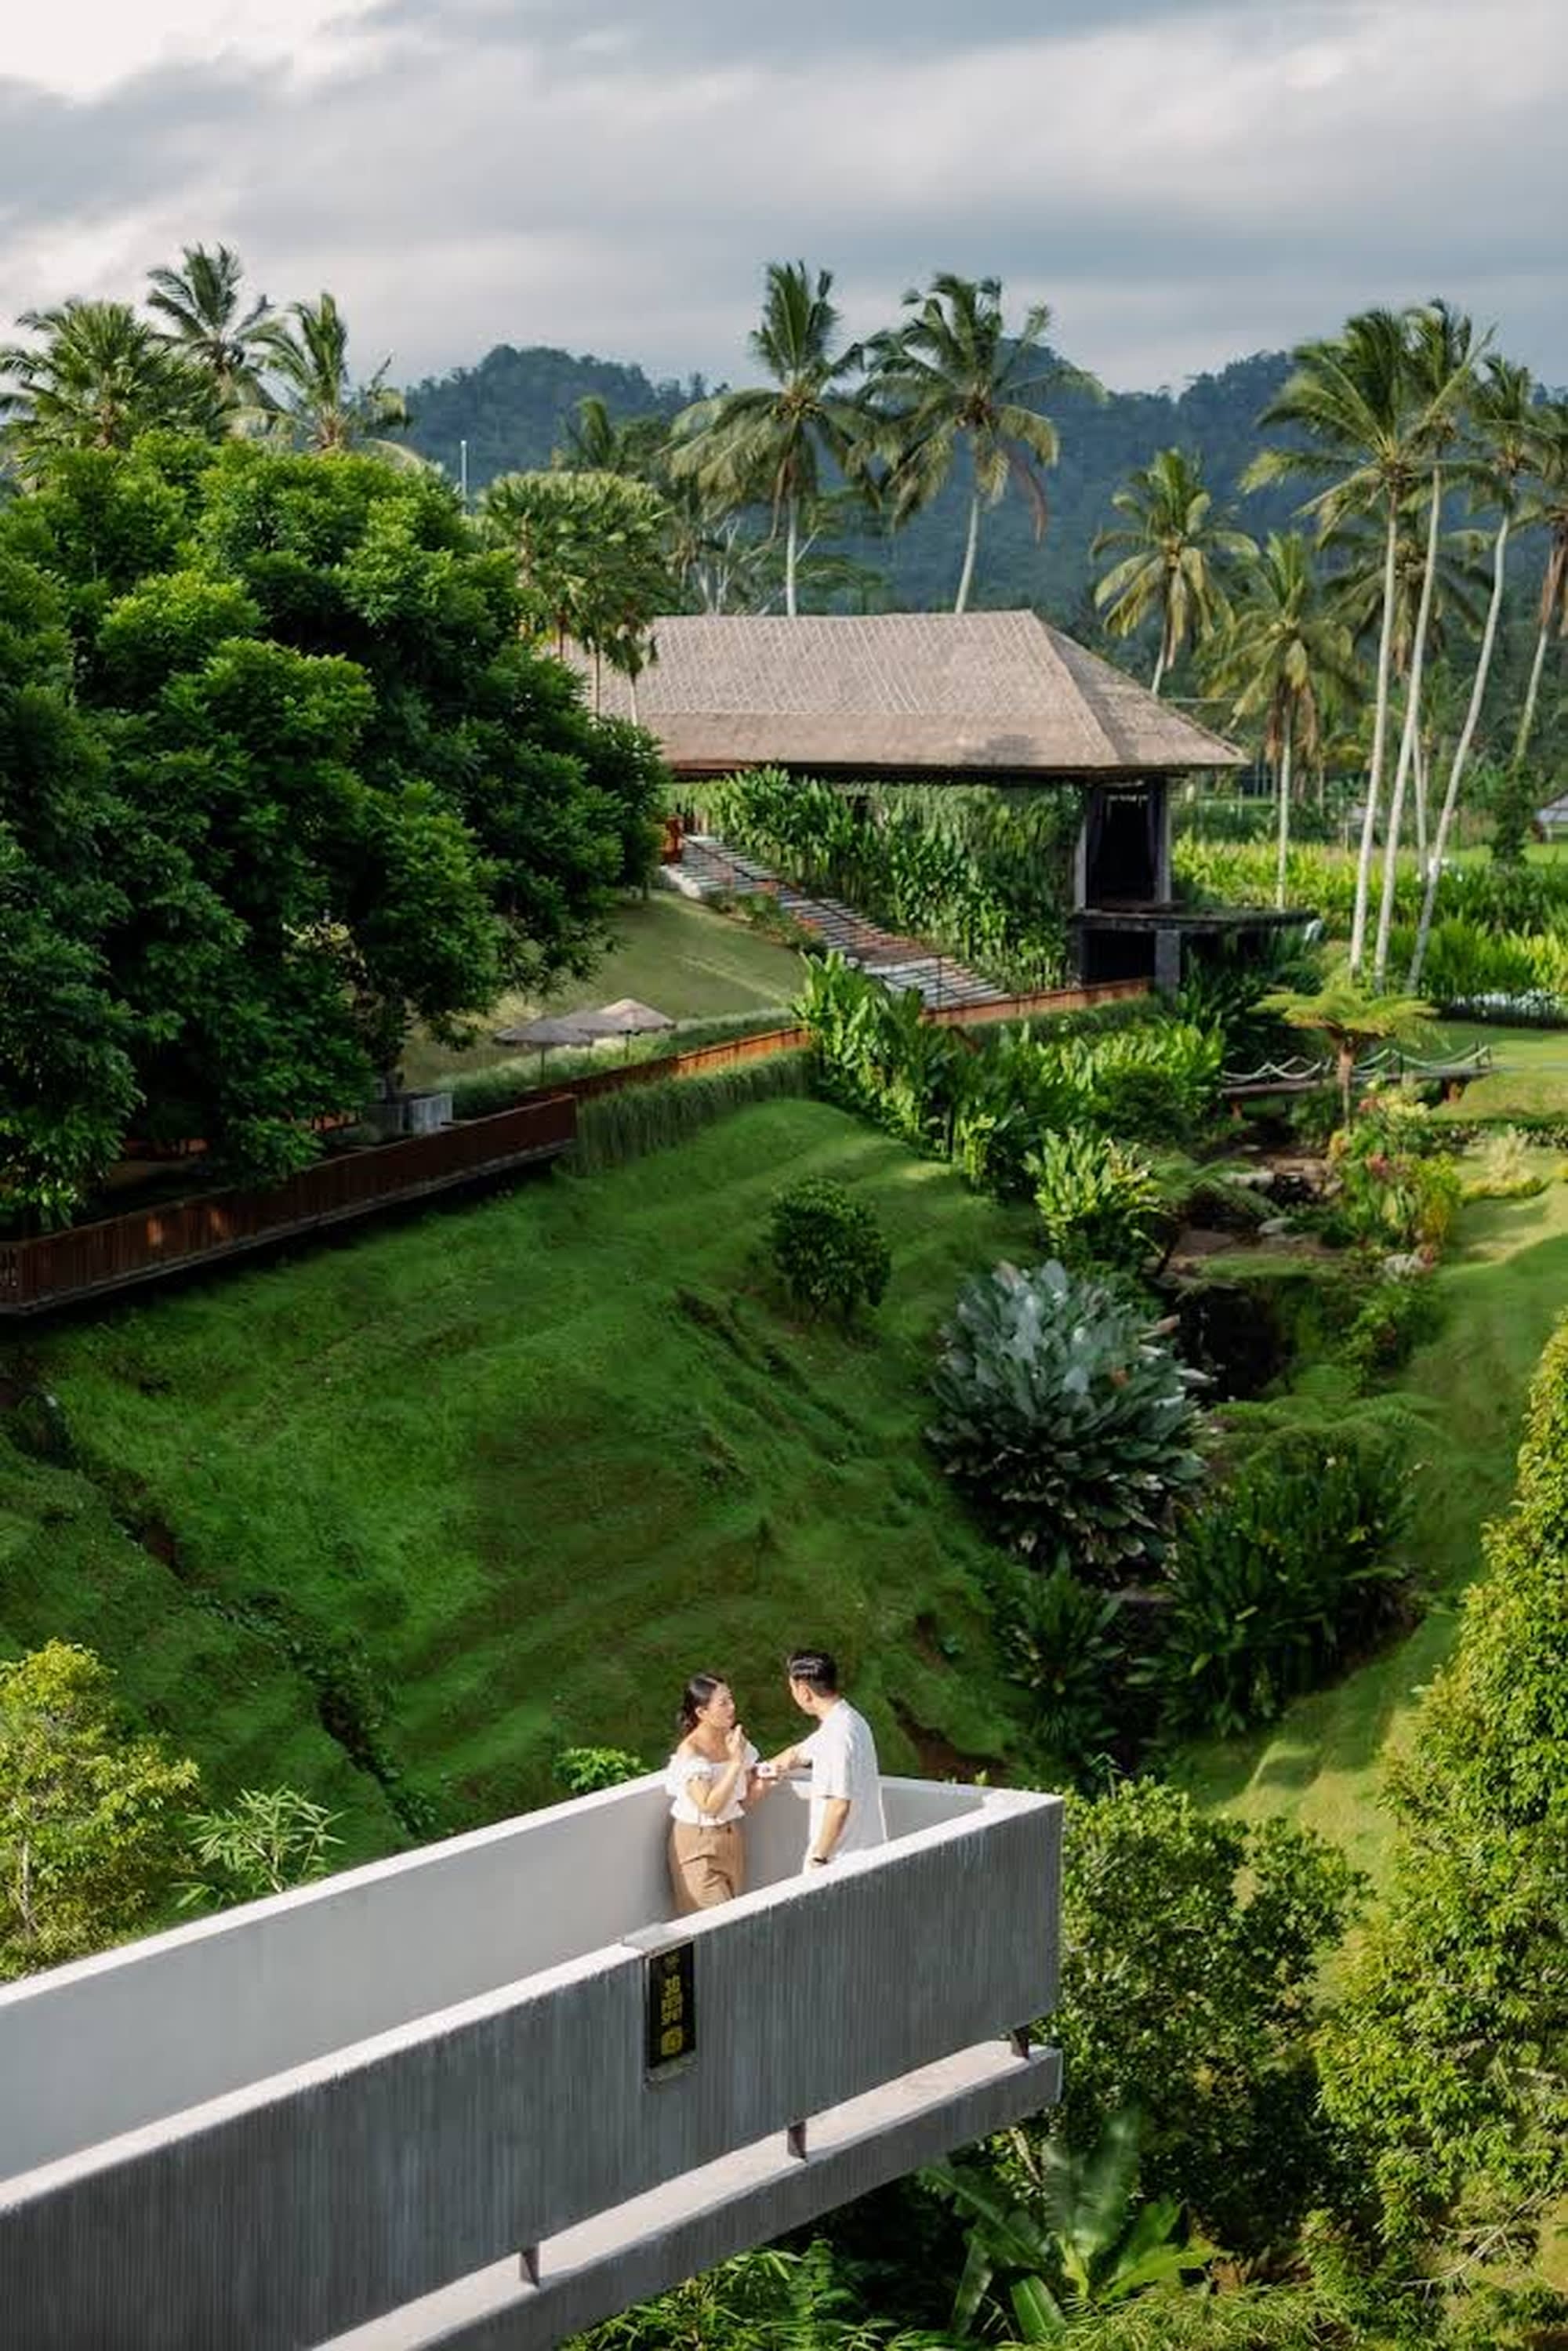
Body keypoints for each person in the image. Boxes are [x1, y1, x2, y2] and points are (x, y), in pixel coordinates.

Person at [765, 1649, 886, 1875]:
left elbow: (839, 1805)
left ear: (804, 1691)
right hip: (866, 1855)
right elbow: (796, 1754)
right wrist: (760, 1771)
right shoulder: (849, 1720)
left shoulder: (836, 1736)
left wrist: (819, 1858)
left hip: (842, 1864)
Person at [664, 1672, 768, 1914]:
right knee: (716, 1921)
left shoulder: (734, 1740)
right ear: (702, 1712)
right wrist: (735, 1762)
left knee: (734, 1921)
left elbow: (739, 1802)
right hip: (699, 1846)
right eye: (723, 1703)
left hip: (731, 1840)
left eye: (731, 1699)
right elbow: (709, 1806)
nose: (732, 1707)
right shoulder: (691, 1752)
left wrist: (764, 1782)